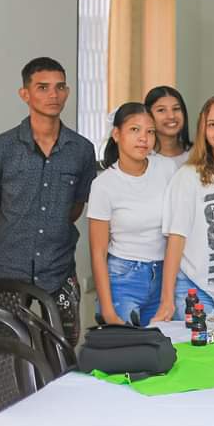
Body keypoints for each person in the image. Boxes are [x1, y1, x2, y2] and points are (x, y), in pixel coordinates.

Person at [0, 58, 96, 346]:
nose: (53, 94)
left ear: (67, 92)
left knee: (65, 350)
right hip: (7, 270)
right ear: (25, 94)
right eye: (43, 87)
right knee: (8, 354)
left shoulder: (81, 150)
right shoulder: (2, 148)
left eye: (60, 87)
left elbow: (76, 207)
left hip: (58, 268)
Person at [156, 95, 214, 320]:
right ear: (203, 130)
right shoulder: (189, 177)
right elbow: (175, 240)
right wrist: (167, 300)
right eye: (212, 124)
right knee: (202, 344)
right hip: (194, 288)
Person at [88, 103, 176, 326]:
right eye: (134, 130)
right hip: (123, 279)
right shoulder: (103, 185)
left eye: (150, 131)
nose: (143, 138)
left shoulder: (167, 168)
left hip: (164, 276)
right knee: (127, 347)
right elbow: (98, 253)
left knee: (163, 344)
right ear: (117, 134)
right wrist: (108, 311)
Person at [145, 85, 192, 167]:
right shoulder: (143, 157)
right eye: (161, 110)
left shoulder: (198, 154)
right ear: (148, 115)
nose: (171, 116)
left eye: (176, 109)